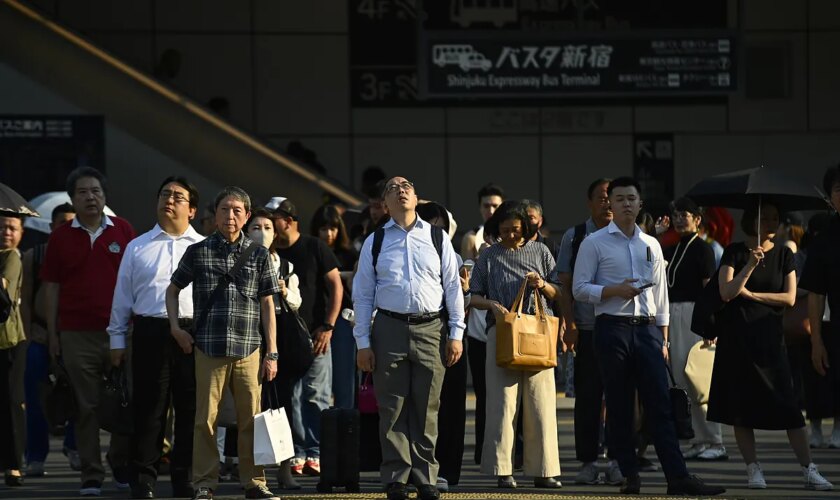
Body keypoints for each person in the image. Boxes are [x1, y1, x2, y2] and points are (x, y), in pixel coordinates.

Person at [572, 177, 725, 496]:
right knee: (619, 404)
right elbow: (579, 288)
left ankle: (677, 476)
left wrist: (664, 339)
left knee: (660, 404)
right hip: (611, 327)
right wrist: (614, 291)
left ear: (640, 204)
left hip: (648, 330)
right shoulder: (594, 243)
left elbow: (661, 298)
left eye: (632, 198)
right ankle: (629, 474)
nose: (626, 203)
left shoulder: (652, 245)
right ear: (610, 205)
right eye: (619, 199)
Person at [166, 186, 281, 500]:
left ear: (246, 216)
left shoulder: (259, 254)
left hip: (250, 349)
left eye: (237, 211)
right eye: (224, 210)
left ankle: (255, 482)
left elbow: (268, 305)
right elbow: (172, 290)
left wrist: (272, 352)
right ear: (214, 215)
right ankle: (204, 483)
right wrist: (176, 328)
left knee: (251, 421)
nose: (230, 216)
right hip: (208, 347)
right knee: (205, 421)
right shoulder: (199, 251)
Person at [352, 177, 465, 500]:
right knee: (392, 405)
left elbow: (453, 287)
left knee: (427, 405)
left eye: (407, 186)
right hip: (388, 327)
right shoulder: (375, 242)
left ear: (417, 198)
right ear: (384, 204)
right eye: (392, 188)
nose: (401, 189)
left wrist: (456, 334)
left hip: (432, 328)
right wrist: (363, 342)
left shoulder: (437, 237)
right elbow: (362, 295)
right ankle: (396, 476)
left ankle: (426, 475)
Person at [709, 200, 833, 491]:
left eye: (776, 219)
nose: (772, 224)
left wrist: (753, 296)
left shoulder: (784, 254)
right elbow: (726, 292)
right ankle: (753, 468)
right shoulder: (735, 252)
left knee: (789, 408)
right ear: (753, 220)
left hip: (771, 338)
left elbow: (790, 298)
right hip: (737, 341)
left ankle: (808, 468)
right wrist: (749, 265)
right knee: (740, 409)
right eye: (767, 218)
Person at [40, 166, 136, 497]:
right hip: (76, 334)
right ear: (73, 199)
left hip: (119, 332)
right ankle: (91, 474)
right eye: (82, 192)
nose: (90, 197)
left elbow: (135, 282)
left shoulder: (123, 230)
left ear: (105, 196)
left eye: (95, 191)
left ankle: (119, 461)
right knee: (86, 406)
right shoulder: (60, 236)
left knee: (126, 403)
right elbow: (51, 288)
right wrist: (53, 334)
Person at [107, 177, 203, 499]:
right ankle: (144, 478)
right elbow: (121, 298)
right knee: (149, 409)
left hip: (193, 333)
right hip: (149, 331)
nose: (169, 200)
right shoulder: (138, 246)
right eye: (165, 194)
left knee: (190, 409)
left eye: (178, 196)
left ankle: (184, 476)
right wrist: (117, 342)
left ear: (192, 209)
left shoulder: (204, 247)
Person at [467, 201, 562, 490]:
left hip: (536, 332)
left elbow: (557, 291)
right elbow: (472, 295)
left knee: (541, 404)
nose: (510, 235)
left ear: (527, 228)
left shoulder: (542, 251)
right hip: (502, 332)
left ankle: (544, 470)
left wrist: (541, 284)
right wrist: (492, 305)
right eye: (504, 230)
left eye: (516, 230)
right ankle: (502, 469)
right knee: (501, 403)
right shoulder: (489, 256)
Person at [553, 177, 621, 485]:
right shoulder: (576, 236)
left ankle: (620, 459)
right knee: (588, 399)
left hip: (621, 326)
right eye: (602, 197)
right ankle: (588, 462)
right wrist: (569, 324)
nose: (608, 203)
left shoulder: (629, 234)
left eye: (613, 197)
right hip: (589, 328)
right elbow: (564, 284)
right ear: (590, 202)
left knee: (621, 397)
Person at [272, 199, 342, 476]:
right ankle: (298, 451)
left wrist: (328, 325)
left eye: (274, 219)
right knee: (293, 397)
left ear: (288, 221)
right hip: (285, 338)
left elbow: (336, 285)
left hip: (315, 333)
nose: (268, 225)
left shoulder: (314, 246)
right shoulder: (270, 253)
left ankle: (317, 451)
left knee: (317, 395)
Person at [661, 198, 726, 461]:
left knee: (700, 379)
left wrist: (711, 324)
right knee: (681, 378)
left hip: (694, 314)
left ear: (698, 219)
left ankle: (715, 441)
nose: (679, 219)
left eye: (685, 215)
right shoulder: (673, 247)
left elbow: (710, 289)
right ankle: (700, 439)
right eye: (676, 214)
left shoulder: (704, 249)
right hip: (674, 313)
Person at [20, 203, 80, 477]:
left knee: (81, 395)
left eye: (71, 223)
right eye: (61, 223)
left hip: (74, 334)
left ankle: (74, 444)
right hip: (40, 334)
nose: (66, 228)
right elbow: (27, 299)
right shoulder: (35, 255)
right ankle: (35, 455)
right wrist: (32, 332)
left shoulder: (83, 255)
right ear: (52, 227)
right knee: (34, 396)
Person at [245, 208, 302, 490]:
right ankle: (237, 464)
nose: (262, 232)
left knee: (282, 404)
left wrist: (284, 290)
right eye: (256, 227)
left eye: (268, 227)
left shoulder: (285, 266)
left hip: (279, 337)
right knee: (248, 403)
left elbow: (297, 303)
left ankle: (284, 468)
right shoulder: (239, 259)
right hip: (246, 333)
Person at [416, 201, 468, 492]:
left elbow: (464, 305)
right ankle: (421, 466)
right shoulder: (406, 253)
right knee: (422, 405)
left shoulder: (456, 257)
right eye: (429, 225)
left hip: (453, 336)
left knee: (450, 404)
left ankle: (448, 469)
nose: (436, 231)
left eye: (440, 226)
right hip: (422, 333)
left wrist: (466, 290)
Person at [795, 212, 839, 448]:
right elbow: (799, 285)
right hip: (810, 324)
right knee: (813, 377)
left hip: (832, 319)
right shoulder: (804, 255)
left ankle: (836, 429)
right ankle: (816, 428)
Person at [310, 204, 358, 410]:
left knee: (344, 379)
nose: (329, 234)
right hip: (316, 320)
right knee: (317, 384)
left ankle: (346, 428)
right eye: (323, 229)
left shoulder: (349, 255)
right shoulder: (310, 250)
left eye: (333, 228)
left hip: (343, 321)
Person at [0, 213, 26, 487]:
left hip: (7, 340)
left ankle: (13, 464)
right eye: (1, 227)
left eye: (11, 227)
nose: (6, 232)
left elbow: (3, 287)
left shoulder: (12, 257)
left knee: (10, 404)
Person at [461, 183, 504, 262]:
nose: (491, 211)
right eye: (486, 206)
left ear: (502, 207)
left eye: (495, 206)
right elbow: (466, 273)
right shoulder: (471, 238)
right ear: (480, 207)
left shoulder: (512, 234)